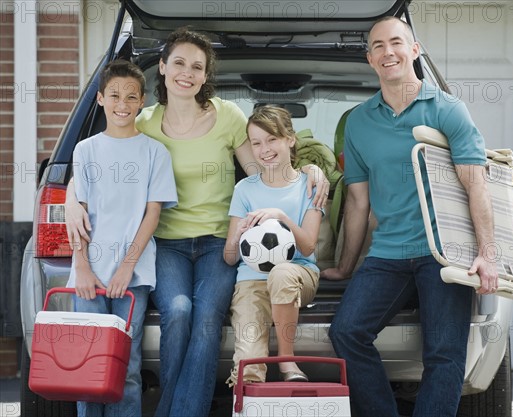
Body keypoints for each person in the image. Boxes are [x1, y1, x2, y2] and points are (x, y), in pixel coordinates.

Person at [65, 29, 329, 417]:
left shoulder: (228, 116)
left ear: (206, 76)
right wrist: (72, 197)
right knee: (178, 311)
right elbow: (99, 156)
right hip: (165, 243)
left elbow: (264, 169)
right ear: (162, 67)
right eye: (178, 63)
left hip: (219, 242)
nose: (186, 73)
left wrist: (310, 168)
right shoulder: (147, 120)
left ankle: (181, 412)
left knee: (206, 317)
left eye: (197, 67)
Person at [321, 17, 499, 417]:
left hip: (446, 254)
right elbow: (357, 201)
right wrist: (346, 266)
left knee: (444, 353)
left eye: (397, 42)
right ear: (370, 58)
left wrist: (487, 253)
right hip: (388, 253)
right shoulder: (360, 122)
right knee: (347, 332)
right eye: (379, 46)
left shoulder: (448, 109)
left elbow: (477, 185)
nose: (389, 52)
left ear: (414, 50)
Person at [67, 59, 177, 417]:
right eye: (114, 95)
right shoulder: (85, 150)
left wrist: (127, 268)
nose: (122, 104)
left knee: (125, 366)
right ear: (100, 98)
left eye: (131, 97)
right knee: (88, 364)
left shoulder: (154, 152)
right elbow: (78, 216)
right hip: (89, 276)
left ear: (142, 101)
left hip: (132, 277)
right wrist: (81, 266)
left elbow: (153, 215)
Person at [223, 106, 323, 387]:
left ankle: (286, 358)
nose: (264, 149)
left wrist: (282, 217)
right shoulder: (244, 189)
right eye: (256, 143)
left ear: (290, 139)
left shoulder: (309, 185)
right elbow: (230, 258)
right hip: (251, 283)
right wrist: (238, 235)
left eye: (272, 139)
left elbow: (308, 246)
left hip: (299, 275)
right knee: (249, 364)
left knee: (280, 274)